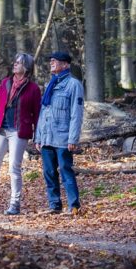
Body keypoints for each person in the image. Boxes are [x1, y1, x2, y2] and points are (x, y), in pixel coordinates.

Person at [0, 53, 42, 216]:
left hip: (19, 132)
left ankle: (15, 204)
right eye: (15, 62)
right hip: (1, 130)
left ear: (26, 67)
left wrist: (38, 136)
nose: (15, 64)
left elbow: (38, 115)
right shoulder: (6, 82)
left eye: (19, 63)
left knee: (14, 168)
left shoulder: (33, 89)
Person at [34, 51, 84, 215]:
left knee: (65, 171)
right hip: (47, 138)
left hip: (63, 138)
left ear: (65, 64)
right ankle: (54, 205)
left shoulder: (73, 84)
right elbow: (43, 112)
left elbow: (76, 114)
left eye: (55, 60)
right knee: (48, 172)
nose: (51, 62)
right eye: (51, 60)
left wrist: (73, 138)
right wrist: (38, 137)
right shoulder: (51, 84)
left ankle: (74, 206)